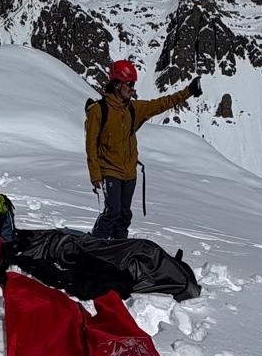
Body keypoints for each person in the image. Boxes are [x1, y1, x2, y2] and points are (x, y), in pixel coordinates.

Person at [85, 60, 203, 240]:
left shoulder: (134, 108)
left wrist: (188, 91)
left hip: (130, 173)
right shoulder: (98, 111)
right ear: (117, 84)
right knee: (112, 212)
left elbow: (162, 103)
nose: (133, 89)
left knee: (124, 215)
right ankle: (93, 248)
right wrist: (95, 174)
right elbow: (91, 145)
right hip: (109, 171)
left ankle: (118, 250)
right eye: (130, 84)